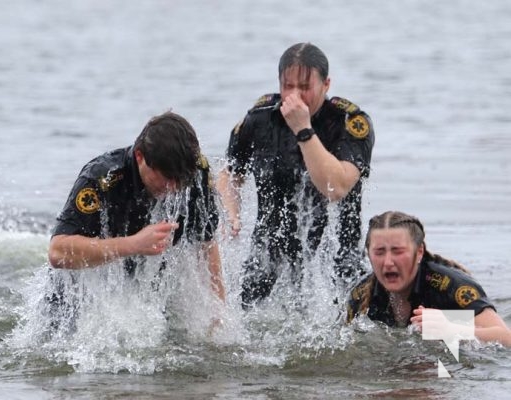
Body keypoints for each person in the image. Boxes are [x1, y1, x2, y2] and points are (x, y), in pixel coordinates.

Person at [217, 42, 375, 308]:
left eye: (304, 87)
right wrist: (230, 212)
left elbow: (336, 188)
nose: (295, 96)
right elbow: (230, 173)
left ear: (326, 85)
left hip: (335, 259)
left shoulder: (349, 122)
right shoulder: (261, 117)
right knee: (241, 318)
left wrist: (303, 129)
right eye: (288, 86)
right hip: (268, 253)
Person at [48, 111, 226, 306]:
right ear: (140, 156)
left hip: (148, 292)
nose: (174, 188)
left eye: (180, 181)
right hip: (80, 294)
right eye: (166, 178)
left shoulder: (195, 173)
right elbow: (57, 252)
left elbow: (206, 244)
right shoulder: (102, 178)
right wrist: (134, 244)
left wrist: (218, 315)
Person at [346, 211, 511, 346]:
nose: (388, 262)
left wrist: (452, 330)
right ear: (368, 254)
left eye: (397, 251)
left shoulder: (452, 289)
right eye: (380, 252)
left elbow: (506, 337)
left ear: (419, 252)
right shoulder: (360, 297)